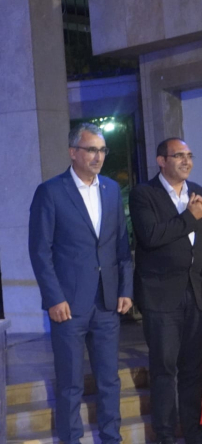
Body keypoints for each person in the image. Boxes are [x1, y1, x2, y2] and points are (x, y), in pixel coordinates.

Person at [29, 122, 133, 444]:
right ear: (73, 152)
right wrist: (53, 298)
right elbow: (40, 251)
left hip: (107, 302)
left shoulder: (111, 190)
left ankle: (111, 438)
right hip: (68, 305)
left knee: (109, 381)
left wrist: (125, 289)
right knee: (70, 384)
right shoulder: (51, 191)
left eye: (102, 150)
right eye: (91, 150)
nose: (98, 156)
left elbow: (121, 246)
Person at [129, 138, 202, 444]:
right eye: (178, 155)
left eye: (189, 155)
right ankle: (165, 435)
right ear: (161, 161)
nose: (186, 161)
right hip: (161, 296)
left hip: (196, 292)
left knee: (193, 368)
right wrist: (189, 217)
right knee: (165, 368)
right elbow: (151, 236)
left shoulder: (198, 191)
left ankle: (193, 431)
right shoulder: (143, 194)